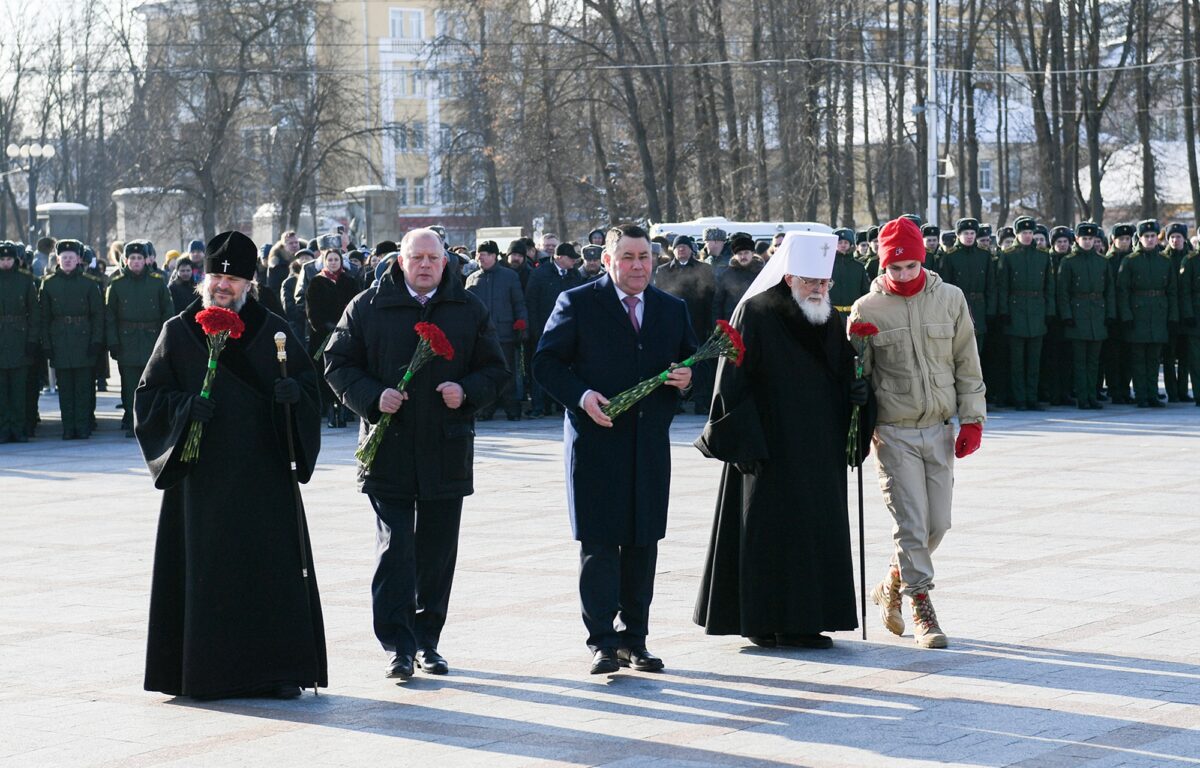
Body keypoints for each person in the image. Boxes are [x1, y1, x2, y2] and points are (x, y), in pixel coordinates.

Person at [135, 230, 326, 700]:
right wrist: (183, 410)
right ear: (205, 278)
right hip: (202, 481)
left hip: (264, 476)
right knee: (209, 573)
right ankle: (204, 674)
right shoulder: (178, 331)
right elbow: (147, 398)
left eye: (234, 279)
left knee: (269, 572)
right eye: (217, 275)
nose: (223, 285)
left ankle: (277, 671)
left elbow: (309, 388)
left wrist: (294, 395)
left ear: (249, 284)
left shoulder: (275, 330)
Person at [324, 228, 508, 681]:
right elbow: (337, 363)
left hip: (446, 447)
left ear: (445, 262)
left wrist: (465, 391)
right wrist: (371, 397)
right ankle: (397, 645)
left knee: (437, 551)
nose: (425, 264)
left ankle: (428, 641)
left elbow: (496, 369)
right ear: (400, 261)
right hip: (389, 447)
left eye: (433, 257)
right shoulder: (368, 305)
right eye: (416, 257)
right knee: (396, 548)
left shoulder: (467, 307)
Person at [533, 223, 697, 675]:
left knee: (643, 546)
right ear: (607, 260)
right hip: (596, 446)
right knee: (601, 547)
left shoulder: (671, 308)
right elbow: (545, 362)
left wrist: (686, 379)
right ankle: (603, 642)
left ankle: (636, 640)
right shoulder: (578, 302)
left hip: (647, 449)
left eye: (644, 256)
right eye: (627, 256)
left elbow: (688, 360)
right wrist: (582, 396)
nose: (638, 265)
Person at [694, 231, 869, 649]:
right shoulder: (753, 312)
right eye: (811, 282)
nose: (819, 290)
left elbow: (844, 373)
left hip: (819, 449)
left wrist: (861, 396)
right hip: (768, 446)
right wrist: (743, 441)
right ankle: (760, 619)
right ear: (789, 277)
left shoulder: (828, 318)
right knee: (767, 533)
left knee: (813, 533)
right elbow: (730, 379)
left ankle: (808, 621)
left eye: (824, 283)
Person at [849, 217, 986, 649]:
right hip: (894, 431)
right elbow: (857, 379)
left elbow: (966, 360)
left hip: (939, 428)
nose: (904, 275)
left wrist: (973, 418)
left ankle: (892, 580)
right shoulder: (866, 308)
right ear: (884, 266)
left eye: (910, 266)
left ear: (922, 260)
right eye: (895, 268)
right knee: (911, 524)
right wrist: (855, 348)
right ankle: (921, 605)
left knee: (937, 524)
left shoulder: (950, 298)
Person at [105, 241, 174, 437]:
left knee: (152, 383)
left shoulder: (157, 282)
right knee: (129, 386)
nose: (136, 262)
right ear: (126, 261)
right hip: (127, 341)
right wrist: (113, 342)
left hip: (152, 340)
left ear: (146, 260)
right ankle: (132, 421)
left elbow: (167, 313)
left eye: (139, 258)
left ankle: (150, 422)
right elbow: (110, 316)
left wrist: (166, 340)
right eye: (132, 258)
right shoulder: (116, 284)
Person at [39, 240, 103, 439]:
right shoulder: (49, 284)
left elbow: (98, 315)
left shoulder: (89, 283)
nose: (67, 261)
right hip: (60, 341)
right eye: (64, 257)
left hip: (83, 340)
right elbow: (44, 317)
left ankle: (82, 427)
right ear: (58, 259)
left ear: (78, 260)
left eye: (71, 257)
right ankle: (68, 427)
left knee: (83, 388)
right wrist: (47, 345)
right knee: (65, 389)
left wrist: (96, 341)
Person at [1117, 219, 1177, 408]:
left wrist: (1173, 317)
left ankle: (1152, 394)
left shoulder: (1165, 261)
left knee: (1153, 359)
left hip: (1158, 313)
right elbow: (1122, 290)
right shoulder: (1130, 261)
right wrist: (1126, 315)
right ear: (1140, 238)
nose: (1150, 240)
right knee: (1138, 358)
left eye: (1153, 236)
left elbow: (1172, 291)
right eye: (1146, 236)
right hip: (1138, 313)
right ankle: (1141, 395)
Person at [465, 240, 527, 421]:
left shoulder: (509, 276)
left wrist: (522, 324)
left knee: (508, 373)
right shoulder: (472, 278)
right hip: (482, 336)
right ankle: (486, 409)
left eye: (483, 255)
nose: (479, 258)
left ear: (493, 256)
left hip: (505, 333)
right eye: (478, 255)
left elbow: (519, 303)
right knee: (485, 373)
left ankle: (512, 409)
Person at [1055, 222, 1114, 410]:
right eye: (1084, 239)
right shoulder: (1069, 262)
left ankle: (1092, 395)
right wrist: (1067, 315)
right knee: (1080, 361)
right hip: (1078, 314)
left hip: (1097, 314)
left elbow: (1109, 291)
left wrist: (1110, 314)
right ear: (1077, 240)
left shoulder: (1102, 262)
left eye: (1091, 239)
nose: (1088, 242)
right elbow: (1062, 292)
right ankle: (1082, 397)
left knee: (1094, 361)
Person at [997, 216, 1054, 410]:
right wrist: (1004, 311)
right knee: (1017, 361)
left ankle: (1032, 397)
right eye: (1024, 233)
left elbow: (1049, 286)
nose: (1028, 236)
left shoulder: (1043, 255)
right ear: (1017, 234)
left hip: (1037, 311)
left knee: (1034, 360)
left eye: (1030, 233)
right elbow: (1003, 286)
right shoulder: (1008, 255)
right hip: (1016, 311)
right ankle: (1020, 398)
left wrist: (1049, 311)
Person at [655, 234, 716, 413]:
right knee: (674, 361)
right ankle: (675, 401)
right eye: (678, 247)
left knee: (698, 361)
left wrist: (710, 325)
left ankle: (700, 400)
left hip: (697, 321)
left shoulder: (703, 269)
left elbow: (710, 298)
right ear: (673, 250)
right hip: (671, 324)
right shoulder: (663, 270)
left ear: (691, 249)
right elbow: (658, 297)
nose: (681, 249)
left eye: (685, 246)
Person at [524, 242, 583, 417]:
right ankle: (539, 406)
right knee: (542, 367)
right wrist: (535, 330)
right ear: (559, 257)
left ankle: (560, 404)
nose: (574, 261)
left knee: (565, 368)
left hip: (569, 330)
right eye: (570, 258)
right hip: (544, 330)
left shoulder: (574, 274)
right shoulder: (539, 274)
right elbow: (531, 303)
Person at [306, 249, 362, 428]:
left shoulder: (349, 282)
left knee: (347, 367)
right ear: (324, 261)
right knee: (325, 369)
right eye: (329, 259)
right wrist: (325, 326)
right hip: (324, 335)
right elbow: (311, 310)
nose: (332, 262)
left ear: (341, 261)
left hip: (347, 333)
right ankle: (331, 409)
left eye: (336, 259)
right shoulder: (316, 282)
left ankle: (346, 408)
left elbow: (357, 305)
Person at [0, 241, 39, 442]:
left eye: (8, 259)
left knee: (18, 389)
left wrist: (32, 340)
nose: (5, 263)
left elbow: (34, 313)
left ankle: (18, 427)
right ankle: (3, 428)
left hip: (19, 339)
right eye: (2, 259)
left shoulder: (25, 280)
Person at [1102, 224, 1137, 403]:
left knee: (1128, 354)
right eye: (1121, 239)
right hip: (1112, 315)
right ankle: (1114, 390)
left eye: (1127, 239)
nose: (1124, 242)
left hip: (1131, 313)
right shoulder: (1107, 261)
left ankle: (1125, 388)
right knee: (1113, 356)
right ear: (1113, 240)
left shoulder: (1134, 259)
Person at [1162, 223, 1192, 401]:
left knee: (1185, 355)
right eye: (1172, 237)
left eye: (1178, 236)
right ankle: (1172, 392)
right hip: (1167, 313)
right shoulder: (1163, 258)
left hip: (1186, 312)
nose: (1175, 240)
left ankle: (1182, 390)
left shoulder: (1190, 257)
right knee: (1169, 355)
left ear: (1184, 238)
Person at [712, 234, 762, 323]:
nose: (743, 257)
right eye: (739, 254)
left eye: (746, 253)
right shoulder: (726, 274)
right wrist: (719, 325)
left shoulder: (762, 273)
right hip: (733, 321)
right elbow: (718, 302)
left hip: (757, 321)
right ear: (735, 256)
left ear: (753, 253)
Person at [829, 228, 871, 318]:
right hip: (832, 315)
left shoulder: (859, 267)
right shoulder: (828, 266)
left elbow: (865, 291)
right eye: (840, 242)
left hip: (854, 314)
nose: (843, 245)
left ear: (851, 244)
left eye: (846, 242)